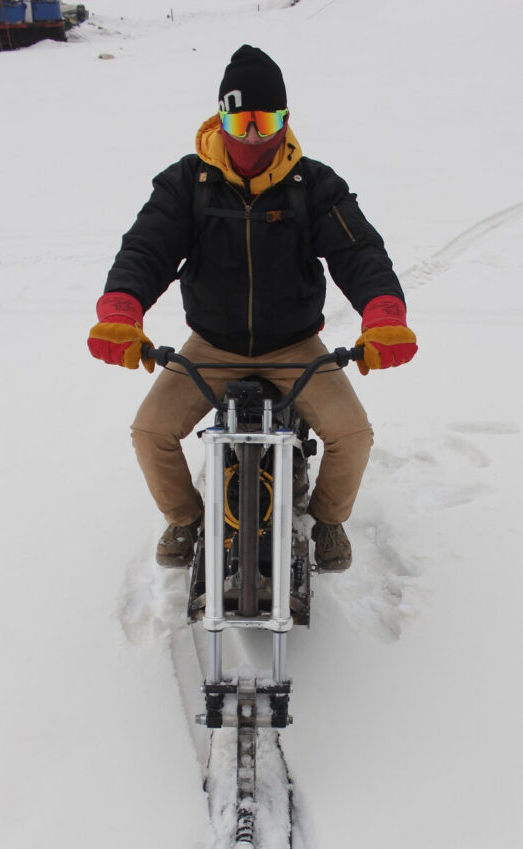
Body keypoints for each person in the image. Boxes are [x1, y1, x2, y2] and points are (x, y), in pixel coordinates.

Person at [87, 45, 417, 572]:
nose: (253, 136)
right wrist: (120, 310)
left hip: (293, 345)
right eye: (240, 121)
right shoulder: (186, 184)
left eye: (266, 120)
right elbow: (146, 248)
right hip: (210, 346)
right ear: (222, 116)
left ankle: (327, 522)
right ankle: (186, 519)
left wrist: (384, 316)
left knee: (352, 435)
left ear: (285, 120)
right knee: (150, 431)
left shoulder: (313, 185)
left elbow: (359, 252)